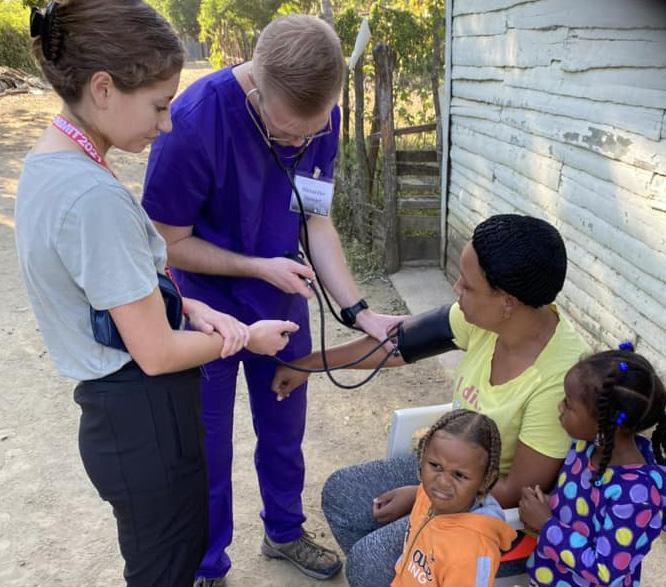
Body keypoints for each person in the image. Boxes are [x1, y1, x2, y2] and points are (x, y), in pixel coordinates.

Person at [14, 2, 296, 586]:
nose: (166, 125)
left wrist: (190, 304)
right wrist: (246, 336)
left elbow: (111, 289)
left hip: (120, 417)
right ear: (103, 88)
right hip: (142, 416)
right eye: (159, 105)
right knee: (167, 567)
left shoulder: (51, 166)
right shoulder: (93, 198)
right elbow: (158, 352)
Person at [141, 13, 400, 585]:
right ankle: (207, 563)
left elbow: (315, 220)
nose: (301, 144)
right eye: (287, 133)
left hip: (281, 303)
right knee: (208, 445)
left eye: (312, 131)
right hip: (204, 309)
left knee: (284, 434)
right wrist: (257, 265)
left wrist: (359, 311)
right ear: (256, 87)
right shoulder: (191, 123)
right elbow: (168, 243)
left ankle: (283, 531)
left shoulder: (319, 118)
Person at [272, 213, 590, 585]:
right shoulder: (488, 319)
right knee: (344, 495)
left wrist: (421, 495)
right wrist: (310, 364)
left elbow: (514, 493)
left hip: (494, 514)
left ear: (507, 302)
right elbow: (399, 344)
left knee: (371, 562)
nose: (456, 288)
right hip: (452, 467)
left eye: (468, 285)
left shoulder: (561, 378)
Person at [519, 348, 666, 587]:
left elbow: (604, 571)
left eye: (568, 403)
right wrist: (548, 505)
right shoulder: (584, 448)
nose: (560, 407)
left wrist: (546, 525)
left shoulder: (636, 495)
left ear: (604, 423)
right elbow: (581, 512)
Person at [391, 409, 516, 587]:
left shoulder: (470, 553)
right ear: (422, 456)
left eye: (459, 475)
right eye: (435, 466)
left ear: (486, 480)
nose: (443, 482)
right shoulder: (428, 495)